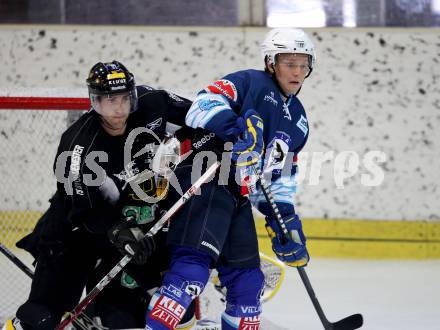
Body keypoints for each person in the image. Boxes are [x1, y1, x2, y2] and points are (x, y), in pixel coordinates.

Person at [5, 61, 197, 330]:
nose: (118, 108)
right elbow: (82, 210)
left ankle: (100, 313)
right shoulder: (77, 149)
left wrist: (180, 142)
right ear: (94, 102)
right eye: (109, 100)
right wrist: (119, 230)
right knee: (42, 316)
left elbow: (202, 116)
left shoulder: (153, 103)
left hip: (132, 223)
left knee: (128, 312)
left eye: (123, 98)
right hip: (74, 232)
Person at [144, 28, 315, 330]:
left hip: (237, 192)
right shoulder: (249, 81)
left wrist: (283, 221)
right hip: (204, 175)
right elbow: (201, 105)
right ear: (271, 62)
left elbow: (278, 175)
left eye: (303, 64)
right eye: (289, 63)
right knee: (190, 274)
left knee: (249, 285)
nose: (297, 72)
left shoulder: (299, 121)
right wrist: (236, 129)